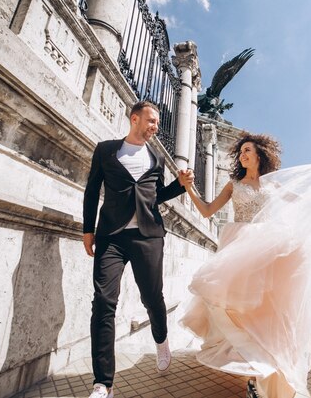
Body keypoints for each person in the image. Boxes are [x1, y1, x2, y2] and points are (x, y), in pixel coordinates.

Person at [180, 132, 311, 398]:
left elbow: (305, 198)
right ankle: (254, 371)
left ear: (260, 154)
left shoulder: (274, 185)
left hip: (269, 250)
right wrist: (188, 187)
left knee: (266, 313)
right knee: (236, 312)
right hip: (238, 249)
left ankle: (264, 375)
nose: (243, 155)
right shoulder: (233, 184)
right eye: (241, 151)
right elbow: (207, 211)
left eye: (248, 150)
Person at [82, 101, 195, 398]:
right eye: (152, 120)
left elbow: (156, 196)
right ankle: (102, 383)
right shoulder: (106, 150)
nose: (156, 126)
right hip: (111, 237)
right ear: (135, 119)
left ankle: (161, 339)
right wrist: (87, 230)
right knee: (104, 302)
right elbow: (92, 190)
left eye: (157, 122)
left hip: (148, 237)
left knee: (152, 298)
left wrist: (180, 185)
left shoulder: (156, 158)